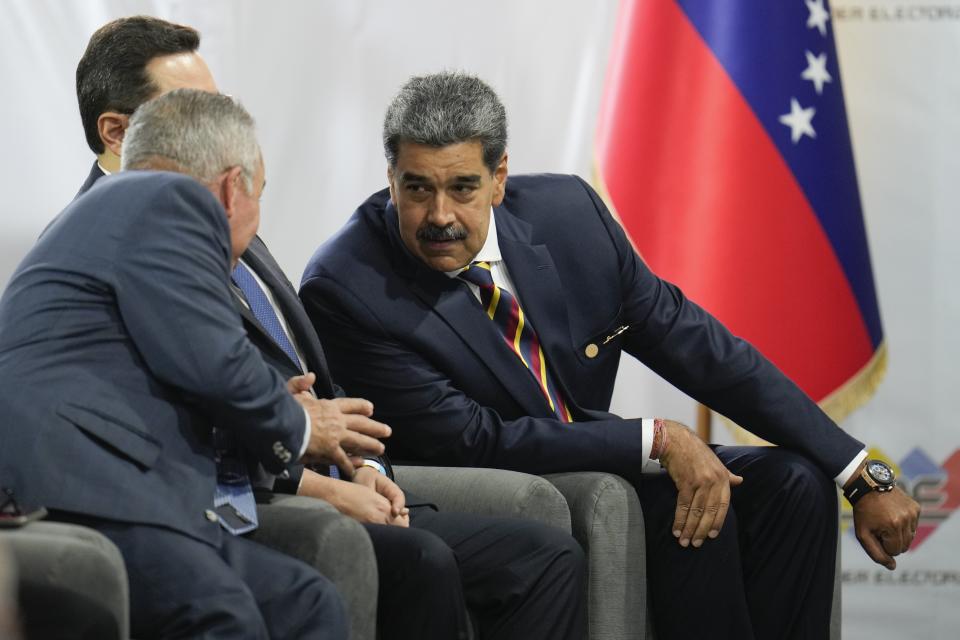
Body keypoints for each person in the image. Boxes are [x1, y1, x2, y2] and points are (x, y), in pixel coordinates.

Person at [300, 71, 923, 640]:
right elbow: (474, 438)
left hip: (596, 452)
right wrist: (656, 442)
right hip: (502, 476)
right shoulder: (349, 286)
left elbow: (694, 344)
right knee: (686, 504)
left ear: (500, 176)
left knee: (794, 485)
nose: (440, 216)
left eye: (462, 187)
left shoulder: (570, 214)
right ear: (390, 181)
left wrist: (856, 472)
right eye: (417, 189)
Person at [71, 18, 588, 640]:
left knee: (546, 557)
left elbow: (301, 386)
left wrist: (363, 466)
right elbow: (182, 421)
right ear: (118, 131)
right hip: (241, 497)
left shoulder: (215, 214)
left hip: (322, 472)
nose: (213, 125)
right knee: (424, 561)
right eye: (188, 108)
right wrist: (319, 483)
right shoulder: (116, 246)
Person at [0, 89, 385, 639]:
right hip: (77, 486)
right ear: (232, 189)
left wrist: (275, 406)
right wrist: (301, 423)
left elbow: (183, 372)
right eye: (261, 194)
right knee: (220, 617)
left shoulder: (120, 214)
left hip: (123, 488)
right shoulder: (170, 200)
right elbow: (216, 362)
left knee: (304, 603)